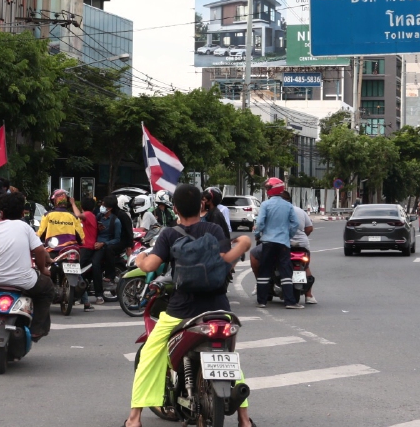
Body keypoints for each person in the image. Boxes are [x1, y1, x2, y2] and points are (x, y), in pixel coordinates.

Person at [123, 183, 253, 427]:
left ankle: (134, 418)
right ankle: (244, 420)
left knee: (150, 355)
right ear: (201, 205)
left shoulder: (170, 234)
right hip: (219, 308)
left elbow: (151, 266)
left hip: (182, 311)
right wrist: (244, 243)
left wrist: (140, 258)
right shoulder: (214, 229)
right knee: (227, 358)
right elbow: (226, 260)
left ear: (175, 209)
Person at [0, 193, 55, 341]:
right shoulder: (24, 226)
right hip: (26, 282)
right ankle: (38, 328)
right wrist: (43, 270)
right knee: (47, 288)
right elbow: (40, 251)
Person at [253, 177, 303, 309]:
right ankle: (290, 302)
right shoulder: (288, 206)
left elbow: (259, 223)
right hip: (283, 243)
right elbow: (295, 224)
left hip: (268, 242)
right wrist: (288, 235)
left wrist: (257, 234)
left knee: (264, 271)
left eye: (268, 188)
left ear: (273, 189)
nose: (267, 190)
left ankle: (262, 301)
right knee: (286, 272)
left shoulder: (265, 205)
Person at [88, 200, 121, 304]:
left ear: (110, 208)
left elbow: (117, 239)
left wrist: (103, 244)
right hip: (92, 243)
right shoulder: (98, 217)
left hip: (103, 246)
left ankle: (99, 295)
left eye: (104, 205)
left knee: (95, 264)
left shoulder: (116, 221)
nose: (101, 207)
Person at [289, 200, 316, 305]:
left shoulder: (278, 210)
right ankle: (309, 295)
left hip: (285, 244)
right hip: (302, 244)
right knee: (305, 266)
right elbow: (309, 228)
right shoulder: (300, 211)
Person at [78, 205, 98, 311]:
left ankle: (85, 301)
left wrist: (72, 203)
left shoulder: (88, 214)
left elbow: (78, 215)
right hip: (80, 247)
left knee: (76, 273)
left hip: (85, 248)